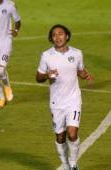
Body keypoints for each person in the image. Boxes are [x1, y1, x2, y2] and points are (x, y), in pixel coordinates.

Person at [36, 24, 94, 170]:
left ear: (67, 36)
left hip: (73, 100)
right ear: (51, 38)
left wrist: (85, 75)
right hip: (56, 102)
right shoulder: (46, 56)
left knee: (72, 133)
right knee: (60, 137)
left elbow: (79, 70)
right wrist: (47, 75)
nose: (58, 37)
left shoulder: (77, 53)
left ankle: (73, 163)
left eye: (61, 34)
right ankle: (66, 164)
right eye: (54, 35)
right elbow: (38, 77)